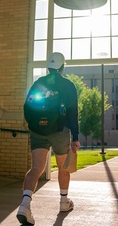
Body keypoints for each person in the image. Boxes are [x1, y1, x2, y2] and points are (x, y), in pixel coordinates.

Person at [17, 52, 81, 225]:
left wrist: (33, 125)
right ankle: (63, 202)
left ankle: (24, 205)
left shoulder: (38, 83)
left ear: (48, 66)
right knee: (63, 167)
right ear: (62, 67)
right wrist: (75, 136)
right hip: (60, 131)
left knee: (36, 168)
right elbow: (73, 112)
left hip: (38, 131)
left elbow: (27, 106)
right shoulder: (68, 85)